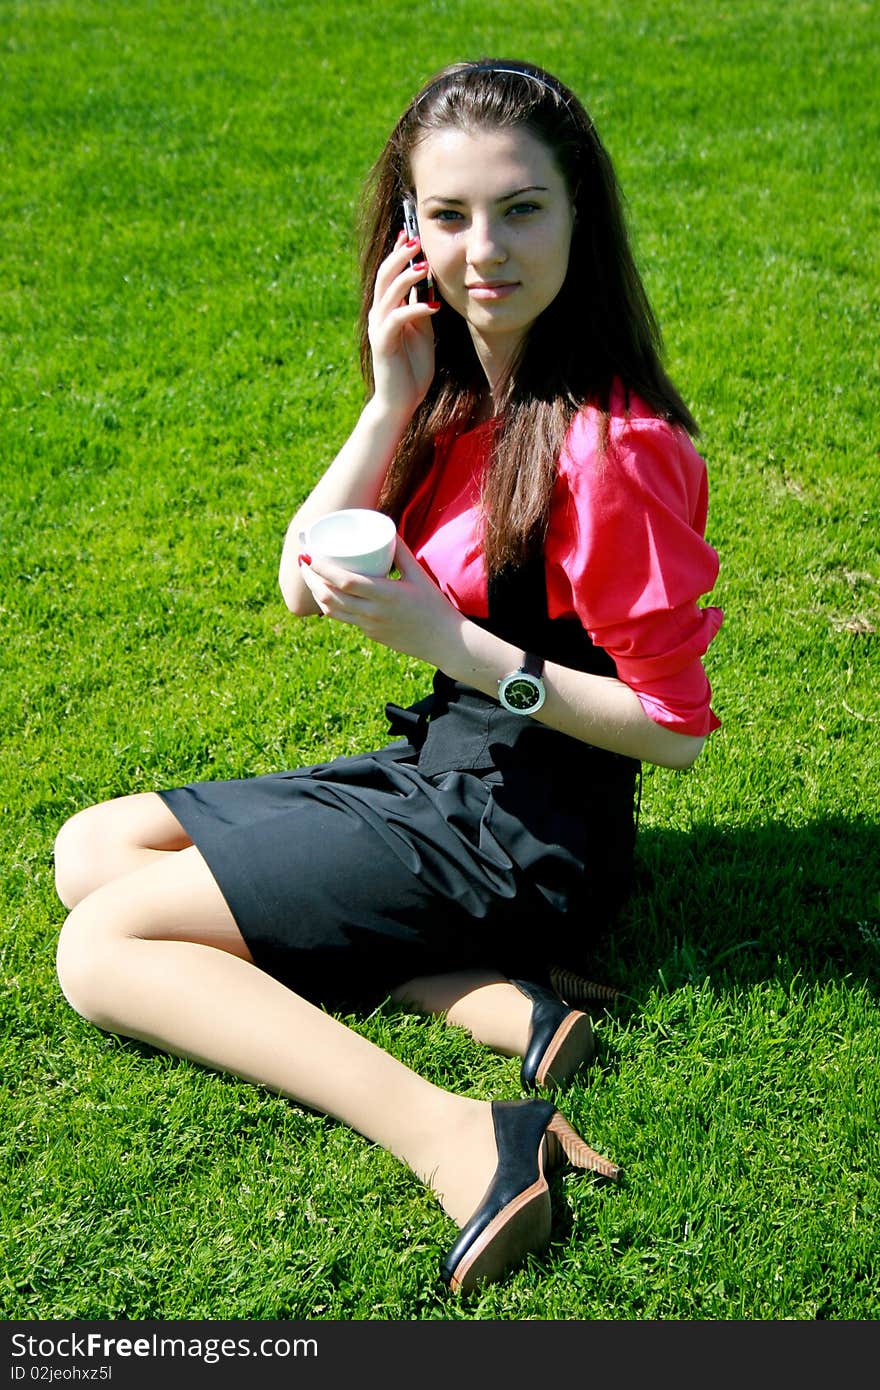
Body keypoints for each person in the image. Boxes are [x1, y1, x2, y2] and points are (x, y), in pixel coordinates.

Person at [53, 58, 723, 1294]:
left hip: (526, 836)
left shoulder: (613, 447)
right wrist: (390, 397)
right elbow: (301, 578)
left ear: (581, 213)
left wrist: (450, 646)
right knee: (91, 849)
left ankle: (463, 1133)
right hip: (441, 776)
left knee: (101, 952)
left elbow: (672, 731)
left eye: (522, 208)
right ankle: (475, 993)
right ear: (408, 228)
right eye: (450, 215)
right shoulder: (458, 387)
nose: (487, 251)